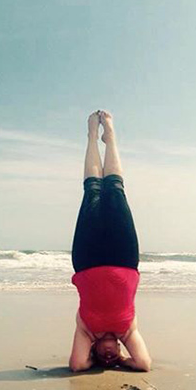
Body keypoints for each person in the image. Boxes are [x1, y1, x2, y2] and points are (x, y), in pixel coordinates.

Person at [69, 110, 152, 372]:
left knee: (93, 189)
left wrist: (95, 359)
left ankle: (93, 137)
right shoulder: (128, 330)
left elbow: (77, 365)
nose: (109, 357)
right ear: (119, 349)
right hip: (124, 258)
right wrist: (122, 362)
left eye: (102, 358)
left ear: (93, 349)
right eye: (113, 357)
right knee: (115, 189)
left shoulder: (86, 331)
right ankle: (112, 137)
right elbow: (144, 364)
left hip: (87, 260)